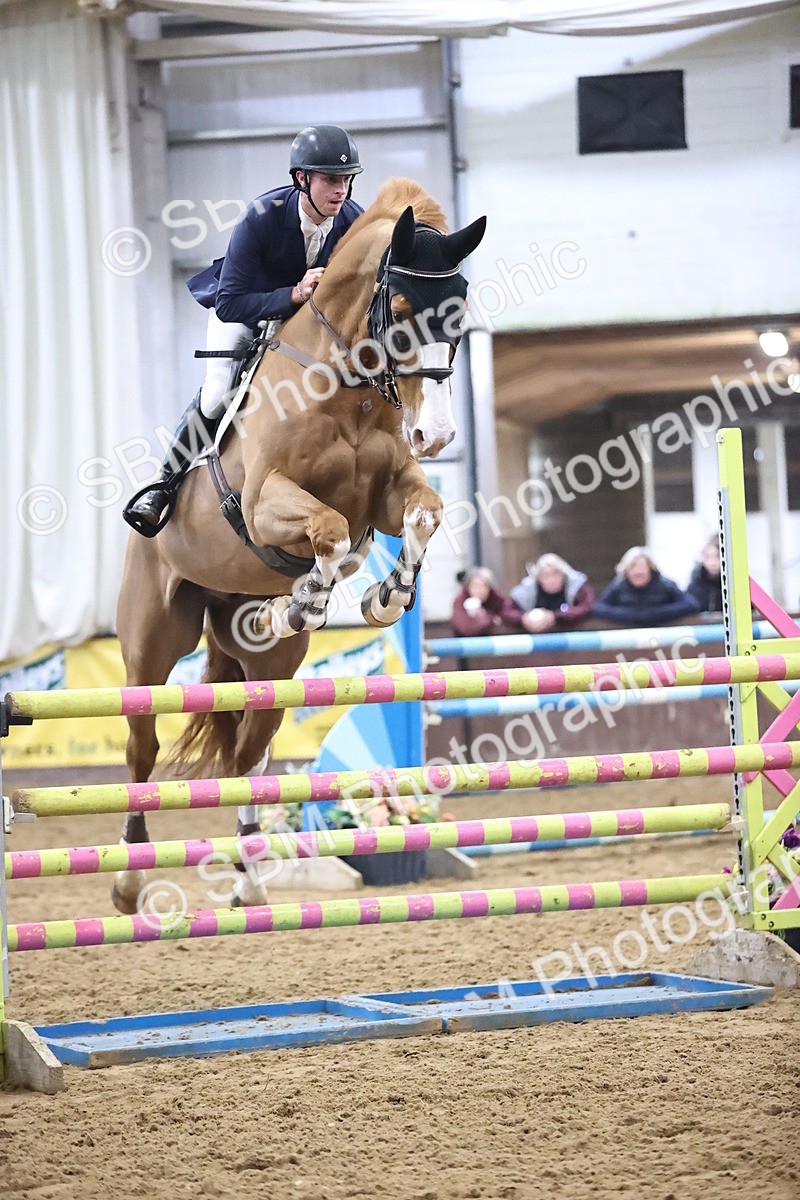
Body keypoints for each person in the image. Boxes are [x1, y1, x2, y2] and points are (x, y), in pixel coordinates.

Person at [125, 124, 364, 533]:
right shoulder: (261, 217)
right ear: (301, 178)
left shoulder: (353, 221)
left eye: (346, 179)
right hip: (244, 312)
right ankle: (163, 484)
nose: (340, 190)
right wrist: (292, 294)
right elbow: (230, 301)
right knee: (218, 394)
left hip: (303, 327)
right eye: (329, 179)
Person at [592, 546, 701, 627]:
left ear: (650, 569)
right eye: (633, 567)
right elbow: (598, 608)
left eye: (642, 567)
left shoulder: (665, 584)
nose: (638, 571)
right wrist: (630, 615)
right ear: (626, 571)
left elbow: (691, 604)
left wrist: (656, 614)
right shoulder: (619, 586)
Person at [509, 553, 595, 633]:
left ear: (563, 574)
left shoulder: (577, 586)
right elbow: (509, 611)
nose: (551, 580)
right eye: (545, 575)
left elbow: (587, 607)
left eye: (555, 574)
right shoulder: (526, 590)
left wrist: (555, 617)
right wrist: (523, 618)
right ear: (538, 577)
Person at [451, 568, 520, 637]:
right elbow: (465, 629)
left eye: (484, 586)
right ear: (468, 588)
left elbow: (507, 610)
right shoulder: (460, 601)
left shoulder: (494, 597)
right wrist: (486, 618)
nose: (479, 591)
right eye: (475, 586)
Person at [686, 535, 723, 614]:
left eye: (717, 556)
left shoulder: (735, 584)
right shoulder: (695, 584)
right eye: (707, 557)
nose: (712, 562)